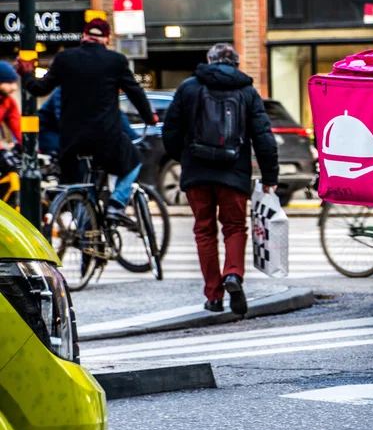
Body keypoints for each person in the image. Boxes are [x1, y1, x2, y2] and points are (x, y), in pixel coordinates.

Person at [162, 43, 278, 316]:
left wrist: (183, 157)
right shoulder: (247, 91)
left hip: (196, 172)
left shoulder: (188, 88)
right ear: (236, 63)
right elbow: (263, 137)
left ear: (209, 60)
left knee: (204, 231)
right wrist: (270, 175)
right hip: (233, 172)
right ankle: (234, 275)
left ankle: (213, 296)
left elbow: (170, 131)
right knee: (235, 227)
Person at [16, 18, 158, 223]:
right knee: (134, 159)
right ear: (107, 38)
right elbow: (135, 92)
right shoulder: (116, 61)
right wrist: (149, 117)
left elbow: (39, 89)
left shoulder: (65, 58)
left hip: (72, 141)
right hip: (105, 140)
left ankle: (86, 238)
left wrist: (27, 73)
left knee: (82, 188)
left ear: (84, 36)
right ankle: (117, 204)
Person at [38, 87, 139, 155]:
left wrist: (134, 138)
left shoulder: (96, 90)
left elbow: (115, 113)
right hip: (49, 132)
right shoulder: (63, 90)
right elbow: (64, 119)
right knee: (72, 153)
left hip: (73, 132)